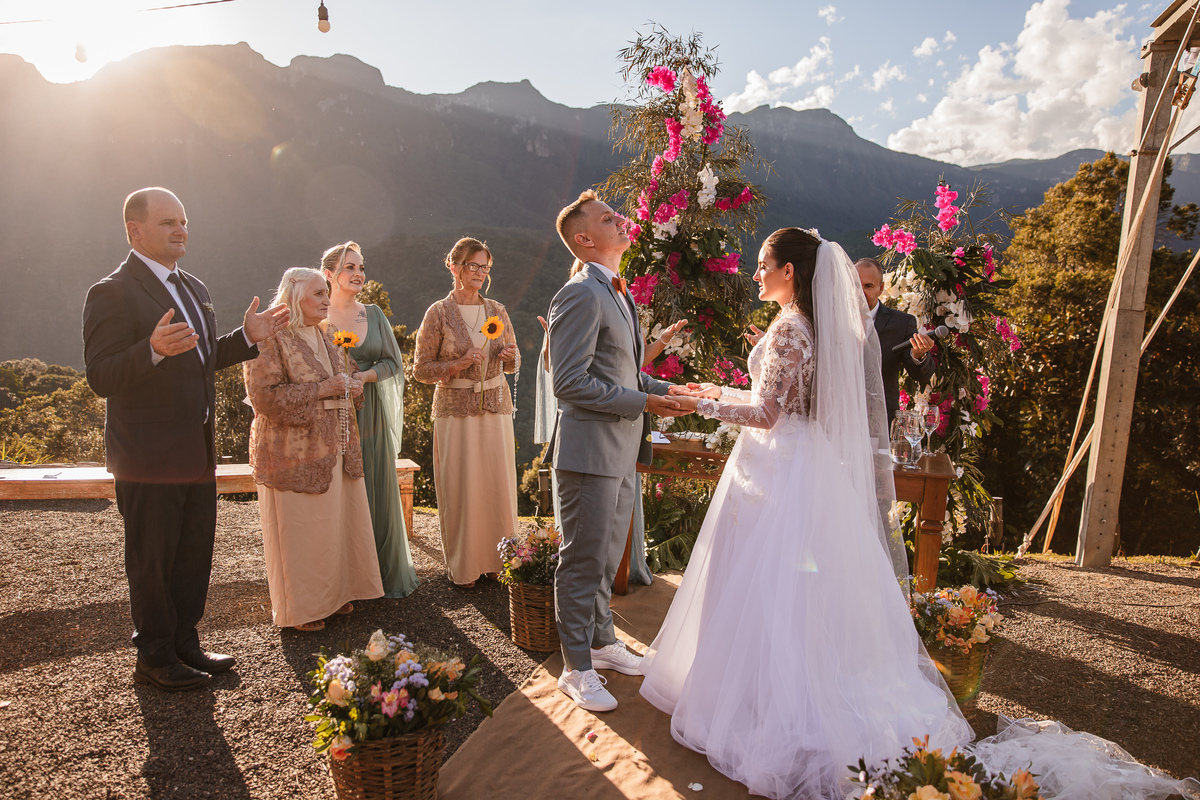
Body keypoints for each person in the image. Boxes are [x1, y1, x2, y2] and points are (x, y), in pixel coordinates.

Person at [642, 228, 972, 799]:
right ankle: (761, 693)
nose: (755, 273)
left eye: (763, 263)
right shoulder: (805, 324)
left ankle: (772, 706)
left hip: (780, 468)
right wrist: (714, 387)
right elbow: (779, 399)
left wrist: (697, 402)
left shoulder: (793, 327)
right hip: (794, 461)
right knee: (772, 590)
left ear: (790, 271)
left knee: (770, 589)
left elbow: (768, 413)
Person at [82, 187, 289, 691]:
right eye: (168, 222)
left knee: (194, 550)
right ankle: (154, 656)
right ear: (135, 231)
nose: (181, 230)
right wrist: (149, 351)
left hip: (196, 449)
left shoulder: (192, 287)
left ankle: (185, 643)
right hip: (146, 456)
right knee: (152, 557)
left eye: (184, 222)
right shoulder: (110, 292)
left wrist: (246, 339)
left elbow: (199, 356)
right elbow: (101, 375)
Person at [546, 190, 688, 713]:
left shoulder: (618, 294)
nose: (621, 219)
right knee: (582, 560)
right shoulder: (580, 294)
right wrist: (644, 400)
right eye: (609, 218)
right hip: (587, 453)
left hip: (622, 449)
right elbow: (569, 383)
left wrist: (668, 393)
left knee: (608, 558)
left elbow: (622, 373)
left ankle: (603, 644)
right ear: (584, 239)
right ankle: (575, 667)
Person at [244, 268, 385, 632]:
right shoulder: (270, 338)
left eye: (326, 293)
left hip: (336, 445)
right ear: (294, 298)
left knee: (335, 525)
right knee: (303, 531)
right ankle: (303, 610)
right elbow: (263, 397)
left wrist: (353, 384)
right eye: (318, 295)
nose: (327, 301)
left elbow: (347, 369)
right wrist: (322, 391)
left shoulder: (331, 333)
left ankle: (335, 596)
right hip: (293, 452)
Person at [413, 238, 520, 589]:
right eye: (473, 265)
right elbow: (421, 369)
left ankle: (498, 560)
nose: (480, 273)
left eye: (485, 267)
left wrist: (509, 358)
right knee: (462, 486)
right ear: (454, 266)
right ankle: (465, 566)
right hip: (455, 410)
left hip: (495, 406)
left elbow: (515, 358)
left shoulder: (498, 310)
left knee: (496, 483)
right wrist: (457, 364)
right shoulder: (438, 313)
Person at [321, 241, 419, 599]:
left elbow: (394, 363)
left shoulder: (374, 314)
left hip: (371, 412)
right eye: (349, 267)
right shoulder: (317, 315)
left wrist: (363, 377)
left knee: (374, 484)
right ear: (329, 274)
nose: (358, 274)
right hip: (331, 414)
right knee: (339, 486)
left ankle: (377, 572)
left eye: (361, 267)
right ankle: (342, 575)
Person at [855, 256, 936, 422]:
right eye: (856, 285)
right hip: (841, 420)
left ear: (881, 288)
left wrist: (918, 355)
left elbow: (921, 376)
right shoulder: (834, 321)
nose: (860, 292)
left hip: (882, 419)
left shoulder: (902, 323)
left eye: (868, 286)